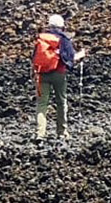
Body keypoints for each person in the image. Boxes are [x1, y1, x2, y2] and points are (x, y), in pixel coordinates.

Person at [32, 13, 79, 141]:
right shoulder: (64, 39)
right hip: (59, 74)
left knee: (42, 104)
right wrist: (81, 55)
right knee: (61, 102)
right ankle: (62, 132)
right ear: (62, 27)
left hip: (42, 74)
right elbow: (70, 58)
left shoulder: (41, 38)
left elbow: (34, 57)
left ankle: (40, 133)